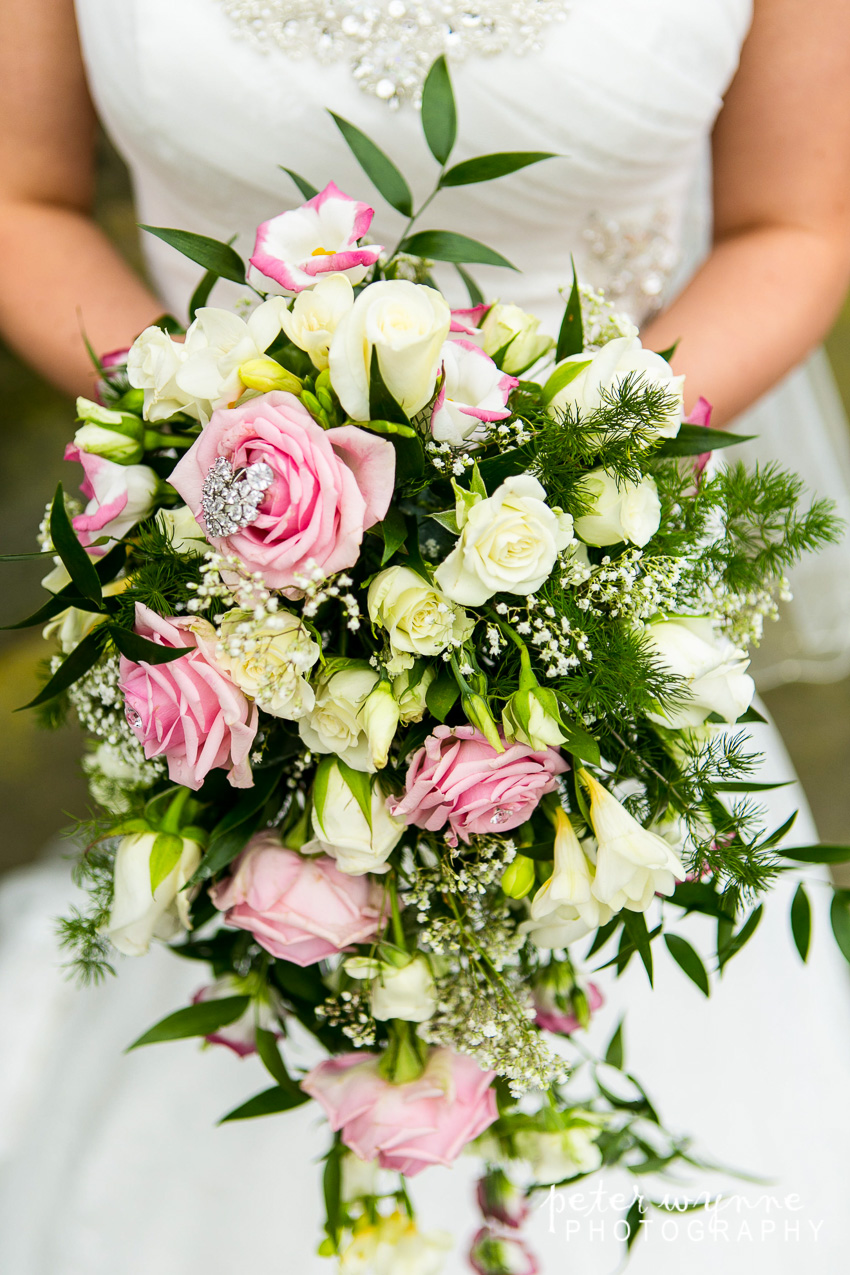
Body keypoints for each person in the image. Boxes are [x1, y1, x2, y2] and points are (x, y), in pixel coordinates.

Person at [0, 1, 849, 1270]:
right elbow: (24, 195)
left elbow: (799, 223)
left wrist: (567, 471)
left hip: (586, 590)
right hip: (240, 594)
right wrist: (214, 453)